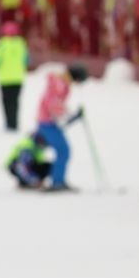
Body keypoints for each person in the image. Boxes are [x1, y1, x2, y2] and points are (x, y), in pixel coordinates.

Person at [32, 64, 88, 192]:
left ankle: (58, 180)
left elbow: (57, 105)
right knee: (63, 150)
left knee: (63, 150)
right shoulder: (59, 84)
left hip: (50, 122)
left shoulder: (61, 83)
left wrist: (72, 115)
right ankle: (57, 182)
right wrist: (70, 115)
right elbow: (53, 104)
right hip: (47, 123)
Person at [0, 20, 29, 130]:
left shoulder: (1, 44)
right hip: (18, 78)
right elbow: (26, 60)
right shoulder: (21, 43)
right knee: (15, 102)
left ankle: (9, 123)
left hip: (5, 79)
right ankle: (14, 122)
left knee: (6, 102)